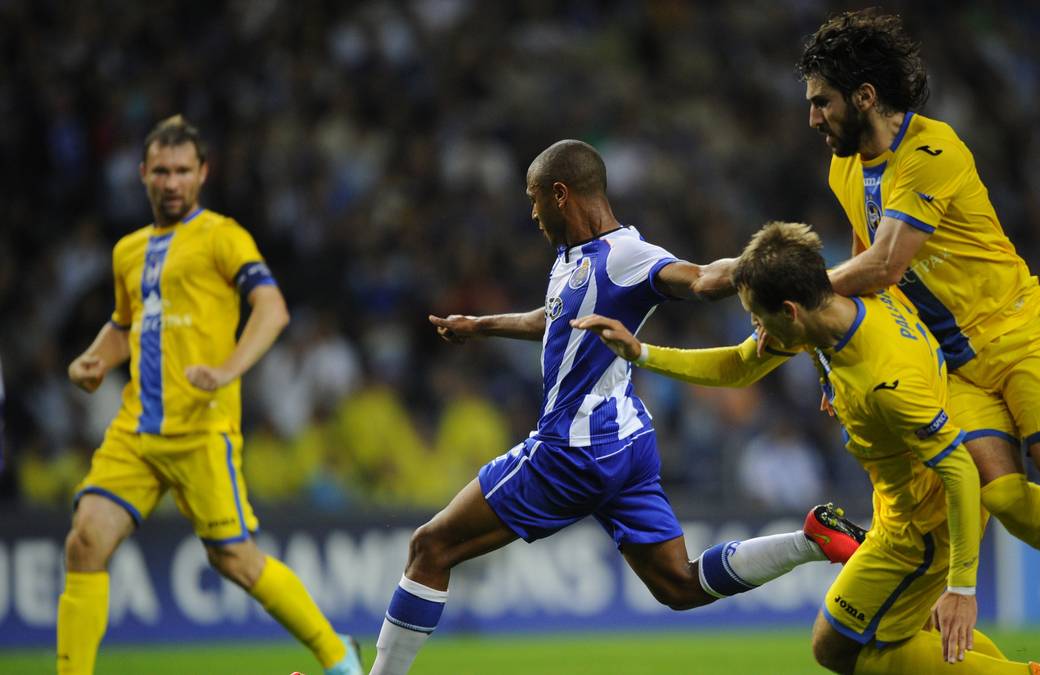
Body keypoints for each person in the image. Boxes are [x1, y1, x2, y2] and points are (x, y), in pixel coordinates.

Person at [368, 140, 865, 675]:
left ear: (560, 195)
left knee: (430, 547)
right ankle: (812, 539)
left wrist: (768, 269)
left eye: (535, 200)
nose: (532, 213)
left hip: (573, 449)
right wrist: (481, 326)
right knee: (680, 585)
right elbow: (551, 319)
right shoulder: (570, 261)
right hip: (625, 445)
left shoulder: (627, 254)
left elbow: (700, 277)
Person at [798, 10, 1040, 672]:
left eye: (821, 101)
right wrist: (832, 357)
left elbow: (885, 265)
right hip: (958, 364)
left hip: (1018, 331)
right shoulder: (845, 171)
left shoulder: (935, 151)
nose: (813, 117)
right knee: (999, 492)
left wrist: (798, 289)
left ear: (864, 96)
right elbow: (864, 263)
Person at [575, 221, 1040, 675]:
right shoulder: (831, 306)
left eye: (757, 318)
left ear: (788, 311)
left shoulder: (881, 377)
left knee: (838, 646)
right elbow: (741, 366)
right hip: (899, 507)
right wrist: (642, 353)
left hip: (924, 524)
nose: (757, 332)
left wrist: (962, 587)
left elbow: (960, 469)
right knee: (904, 633)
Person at [59, 116, 362, 675]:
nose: (172, 182)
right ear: (142, 174)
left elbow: (272, 309)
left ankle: (338, 653)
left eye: (182, 171)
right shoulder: (128, 251)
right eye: (161, 172)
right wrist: (96, 357)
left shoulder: (223, 236)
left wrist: (228, 369)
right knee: (85, 542)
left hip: (202, 429)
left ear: (202, 174)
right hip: (136, 432)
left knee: (234, 559)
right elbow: (127, 325)